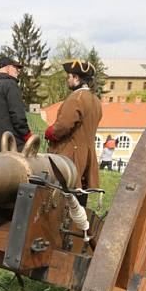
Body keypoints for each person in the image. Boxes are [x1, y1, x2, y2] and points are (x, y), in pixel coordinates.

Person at [44, 59, 103, 193]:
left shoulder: (76, 98)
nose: (67, 80)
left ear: (76, 78)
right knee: (80, 200)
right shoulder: (95, 100)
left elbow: (63, 127)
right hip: (87, 155)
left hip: (71, 154)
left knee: (65, 198)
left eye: (69, 77)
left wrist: (50, 132)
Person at [0, 56, 32, 155]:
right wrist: (28, 135)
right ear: (7, 68)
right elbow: (18, 116)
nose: (18, 71)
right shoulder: (10, 84)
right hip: (12, 146)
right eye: (16, 68)